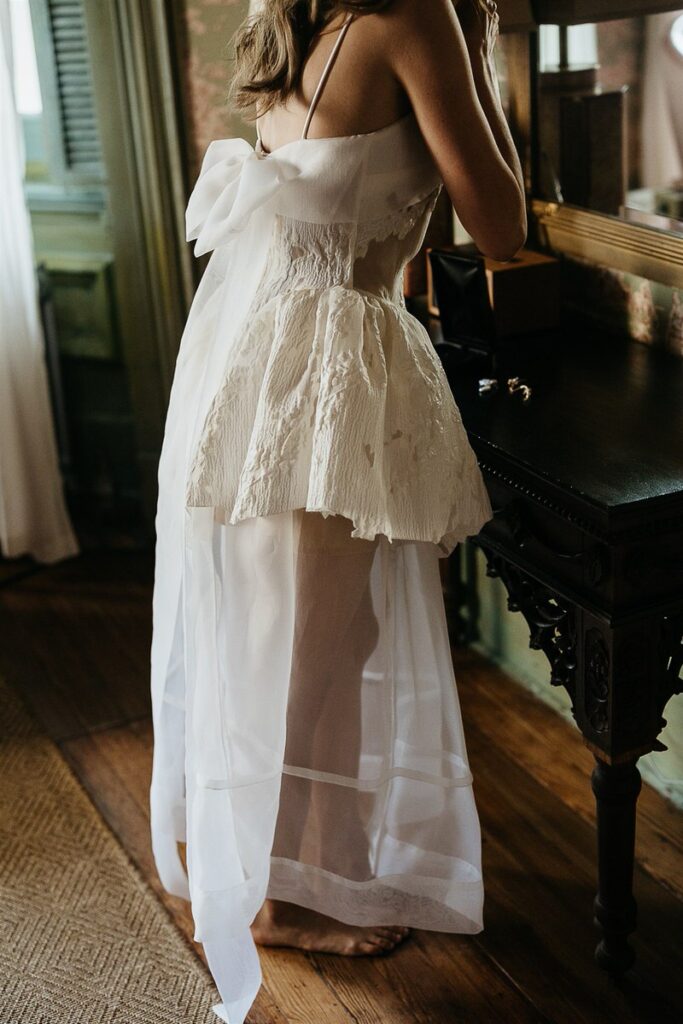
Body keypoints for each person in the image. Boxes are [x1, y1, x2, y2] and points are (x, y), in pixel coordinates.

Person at [149, 2, 526, 1021]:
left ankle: (336, 859)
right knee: (314, 645)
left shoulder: (302, 24)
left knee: (332, 630)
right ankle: (271, 893)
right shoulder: (416, 14)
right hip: (325, 365)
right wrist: (483, 63)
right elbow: (501, 222)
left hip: (271, 350)